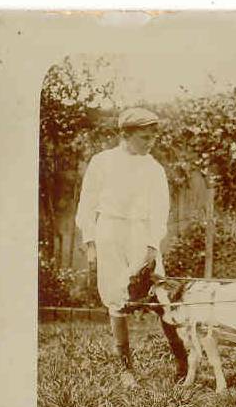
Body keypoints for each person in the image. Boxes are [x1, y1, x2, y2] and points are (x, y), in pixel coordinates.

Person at [75, 107, 188, 386]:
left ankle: (182, 360)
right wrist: (90, 243)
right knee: (116, 298)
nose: (149, 143)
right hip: (110, 232)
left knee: (158, 294)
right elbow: (87, 204)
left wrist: (152, 245)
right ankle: (126, 369)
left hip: (141, 232)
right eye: (143, 137)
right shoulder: (102, 162)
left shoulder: (153, 168)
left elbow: (160, 210)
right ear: (125, 135)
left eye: (152, 137)